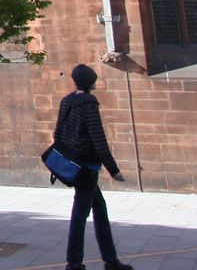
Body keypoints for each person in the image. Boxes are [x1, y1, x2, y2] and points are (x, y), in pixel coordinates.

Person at [53, 64, 133, 270]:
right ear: (90, 82)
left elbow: (57, 134)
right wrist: (114, 170)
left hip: (73, 165)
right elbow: (98, 140)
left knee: (99, 207)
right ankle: (74, 263)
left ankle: (110, 260)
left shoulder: (67, 102)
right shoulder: (88, 104)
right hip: (86, 167)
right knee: (80, 215)